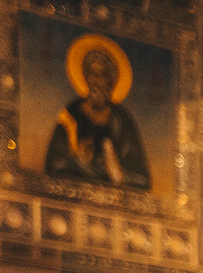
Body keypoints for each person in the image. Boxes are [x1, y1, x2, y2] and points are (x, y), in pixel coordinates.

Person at [44, 37, 151, 189]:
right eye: (93, 74)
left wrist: (119, 175)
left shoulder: (122, 120)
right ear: (86, 77)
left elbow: (142, 180)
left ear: (112, 80)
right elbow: (54, 167)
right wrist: (78, 163)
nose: (98, 81)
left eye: (103, 74)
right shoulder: (70, 118)